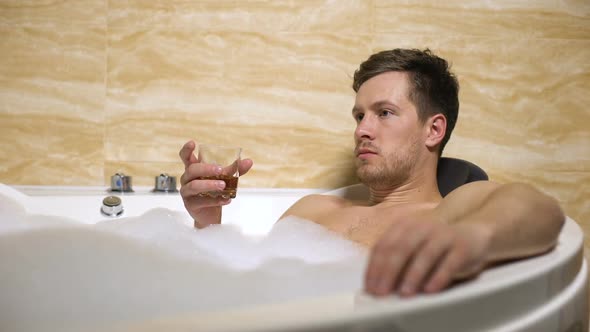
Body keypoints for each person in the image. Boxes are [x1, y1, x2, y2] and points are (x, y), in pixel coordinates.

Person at [178, 48, 565, 298]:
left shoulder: (449, 211)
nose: (362, 128)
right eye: (359, 115)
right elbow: (236, 296)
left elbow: (540, 211)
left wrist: (470, 240)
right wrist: (207, 226)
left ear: (434, 129)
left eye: (384, 113)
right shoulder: (311, 210)